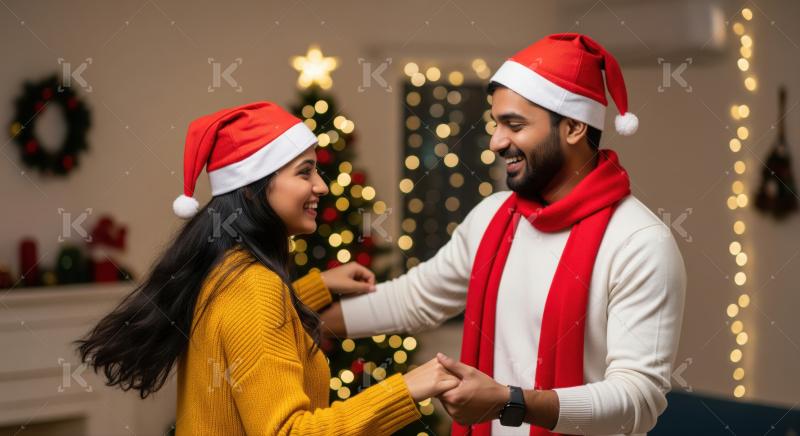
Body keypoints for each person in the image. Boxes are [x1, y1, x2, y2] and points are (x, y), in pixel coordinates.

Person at [317, 34, 687, 435]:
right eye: (496, 124)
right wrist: (309, 323)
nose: (496, 141)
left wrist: (512, 402)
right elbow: (418, 299)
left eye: (515, 125)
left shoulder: (639, 241)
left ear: (575, 127)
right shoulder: (493, 216)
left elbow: (638, 401)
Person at [76, 102, 459, 435]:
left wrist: (318, 285)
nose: (321, 186)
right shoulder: (254, 287)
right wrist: (406, 389)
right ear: (252, 189)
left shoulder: (227, 268)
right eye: (304, 172)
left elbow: (239, 325)